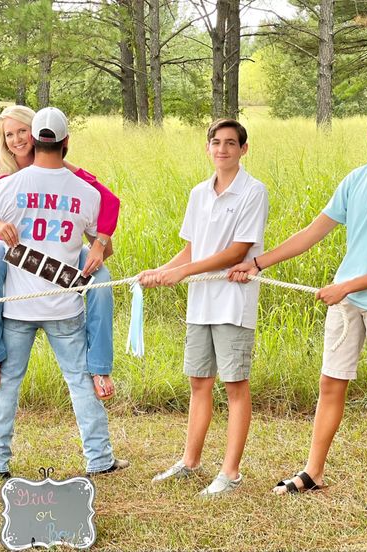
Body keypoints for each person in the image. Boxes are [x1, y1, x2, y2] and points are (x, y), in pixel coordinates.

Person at [229, 101, 367, 513]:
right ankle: (313, 472)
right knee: (331, 382)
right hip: (348, 300)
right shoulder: (356, 180)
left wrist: (345, 286)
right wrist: (257, 263)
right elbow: (312, 232)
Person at [0, 107, 128, 478]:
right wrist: (101, 243)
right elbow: (102, 232)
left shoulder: (5, 188)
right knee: (79, 383)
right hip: (64, 307)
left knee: (6, 388)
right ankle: (100, 459)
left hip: (17, 308)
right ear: (66, 142)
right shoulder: (86, 193)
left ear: (33, 142)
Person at [0, 105, 120, 399]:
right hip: (11, 249)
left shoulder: (60, 167)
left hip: (61, 248)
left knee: (103, 281)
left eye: (22, 131)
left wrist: (100, 241)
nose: (17, 140)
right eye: (9, 135)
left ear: (37, 130)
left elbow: (109, 200)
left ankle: (101, 366)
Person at [140, 119, 268, 495]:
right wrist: (162, 270)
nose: (222, 149)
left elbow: (236, 251)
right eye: (216, 142)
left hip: (233, 304)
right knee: (199, 382)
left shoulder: (253, 191)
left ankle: (230, 473)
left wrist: (182, 273)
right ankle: (191, 461)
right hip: (201, 304)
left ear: (244, 149)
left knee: (234, 385)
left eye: (231, 143)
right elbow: (192, 247)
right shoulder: (199, 193)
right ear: (208, 147)